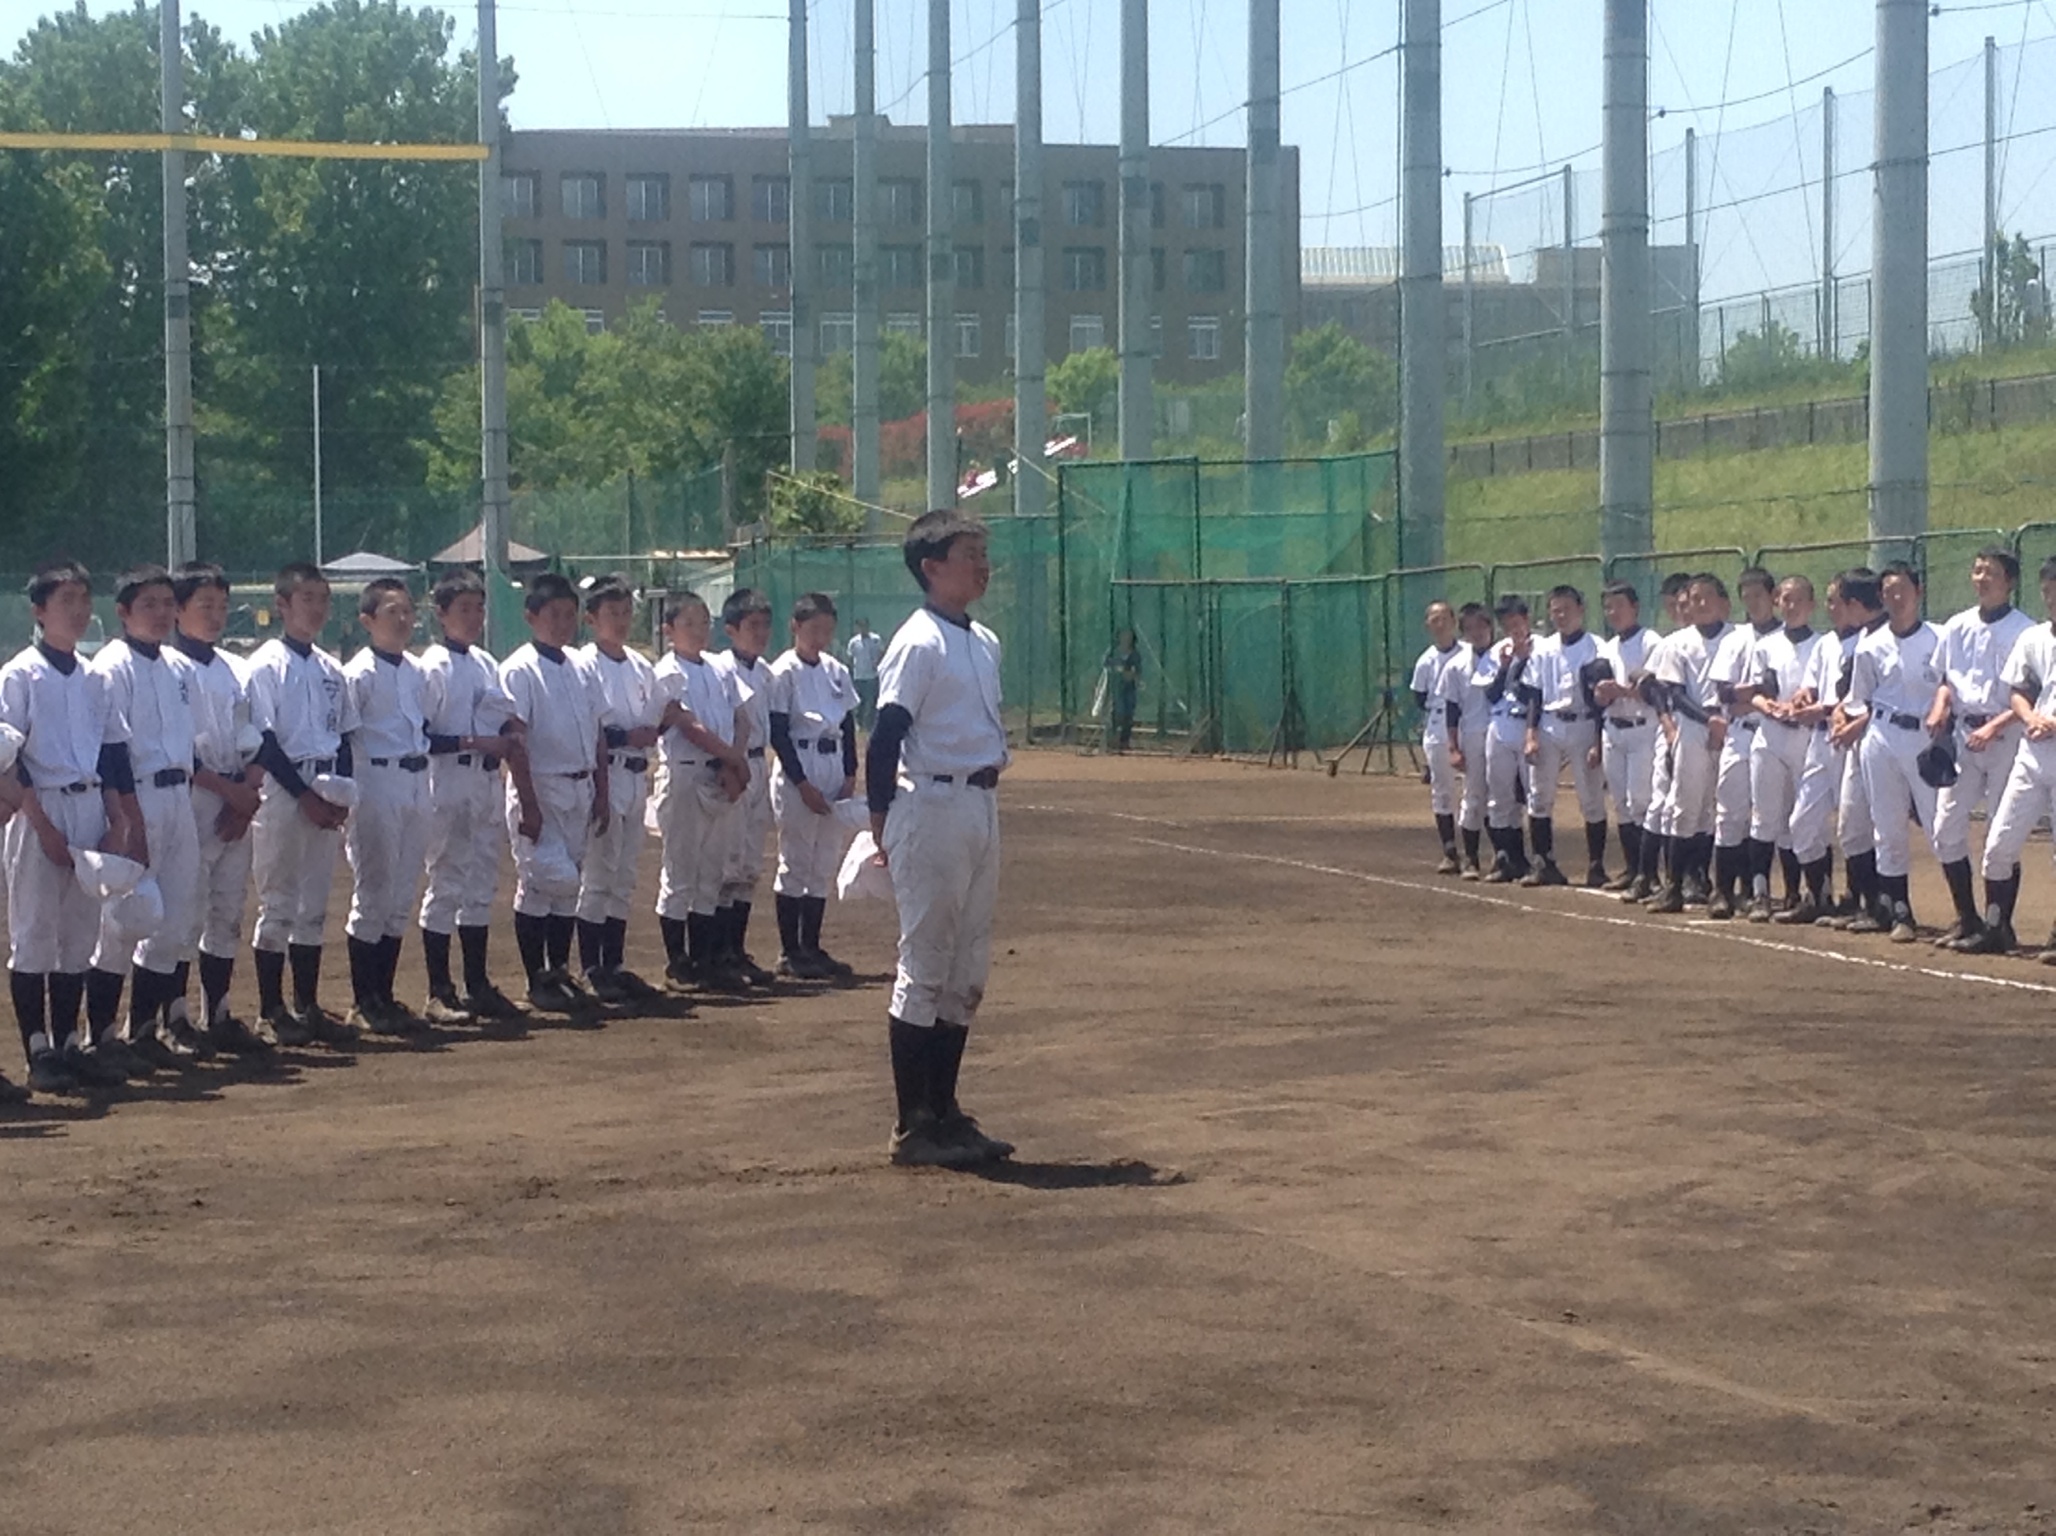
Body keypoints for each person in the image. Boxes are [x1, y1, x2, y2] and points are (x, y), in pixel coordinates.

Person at [867, 509, 1015, 1169]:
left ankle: (946, 1110)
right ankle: (913, 1123)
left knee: (966, 970)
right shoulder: (918, 641)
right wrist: (880, 816)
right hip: (930, 803)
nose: (982, 565)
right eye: (968, 553)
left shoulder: (983, 640)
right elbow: (886, 734)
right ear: (931, 567)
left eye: (983, 552)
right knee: (926, 963)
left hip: (979, 801)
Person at [2, 563, 140, 1094]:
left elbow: (111, 752)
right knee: (34, 934)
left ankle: (66, 1043)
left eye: (84, 598)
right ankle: (37, 1052)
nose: (79, 610)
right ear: (39, 611)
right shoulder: (20, 674)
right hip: (40, 807)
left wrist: (118, 817)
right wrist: (43, 827)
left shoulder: (93, 676)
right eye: (66, 600)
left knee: (79, 936)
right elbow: (12, 758)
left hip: (89, 806)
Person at [91, 564, 203, 1070]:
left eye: (166, 604)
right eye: (148, 605)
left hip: (179, 796)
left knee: (173, 922)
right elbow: (109, 749)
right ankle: (99, 1036)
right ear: (123, 612)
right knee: (122, 923)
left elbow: (190, 742)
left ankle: (141, 1030)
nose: (160, 613)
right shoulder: (111, 667)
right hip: (136, 796)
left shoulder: (179, 668)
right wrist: (125, 818)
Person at [245, 562, 358, 1046]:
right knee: (278, 903)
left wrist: (340, 793)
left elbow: (345, 737)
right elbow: (266, 743)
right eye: (306, 598)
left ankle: (306, 1005)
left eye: (322, 599)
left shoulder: (332, 669)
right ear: (282, 605)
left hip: (324, 783)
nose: (316, 608)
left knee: (313, 905)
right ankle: (271, 1010)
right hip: (283, 787)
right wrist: (306, 797)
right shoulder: (264, 665)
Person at [499, 572, 611, 1014]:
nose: (563, 623)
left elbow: (597, 733)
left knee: (569, 888)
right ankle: (535, 978)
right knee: (542, 882)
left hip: (580, 785)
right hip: (541, 786)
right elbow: (516, 740)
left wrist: (601, 791)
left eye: (569, 614)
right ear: (531, 617)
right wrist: (529, 803)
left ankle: (558, 970)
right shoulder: (519, 669)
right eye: (553, 614)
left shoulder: (582, 665)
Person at [171, 562, 270, 1053]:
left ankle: (219, 1011)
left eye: (222, 605)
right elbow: (174, 748)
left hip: (237, 799)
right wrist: (231, 795)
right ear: (179, 609)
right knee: (184, 913)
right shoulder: (169, 667)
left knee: (227, 912)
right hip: (192, 797)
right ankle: (173, 1017)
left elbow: (262, 738)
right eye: (204, 605)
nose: (215, 614)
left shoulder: (237, 668)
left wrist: (246, 797)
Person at [417, 569, 521, 1026]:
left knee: (480, 886)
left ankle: (477, 984)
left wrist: (509, 731)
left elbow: (502, 716)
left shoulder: (485, 662)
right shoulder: (431, 666)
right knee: (446, 884)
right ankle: (439, 990)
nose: (475, 617)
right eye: (464, 609)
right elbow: (422, 736)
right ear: (441, 614)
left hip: (484, 781)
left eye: (479, 608)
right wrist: (476, 742)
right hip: (448, 780)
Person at [1926, 547, 2034, 953]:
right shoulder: (1957, 625)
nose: (1981, 578)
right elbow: (1945, 679)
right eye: (1977, 570)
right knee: (1945, 829)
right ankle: (1967, 918)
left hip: (2007, 735)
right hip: (1964, 735)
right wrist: (1940, 706)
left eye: (1991, 572)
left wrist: (1995, 725)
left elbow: (2030, 693)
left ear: (2010, 581)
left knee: (1999, 833)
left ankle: (1997, 924)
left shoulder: (2025, 631)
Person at [341, 577, 432, 1035]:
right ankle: (364, 1000)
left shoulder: (416, 670)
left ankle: (385, 994)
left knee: (400, 895)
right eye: (392, 611)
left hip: (416, 778)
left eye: (407, 611)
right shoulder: (358, 673)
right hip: (375, 779)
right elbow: (342, 736)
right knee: (373, 892)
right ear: (367, 620)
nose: (403, 619)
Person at [652, 593, 751, 989]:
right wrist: (733, 759)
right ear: (668, 630)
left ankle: (704, 957)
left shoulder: (719, 667)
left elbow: (742, 718)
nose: (699, 630)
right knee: (680, 873)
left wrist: (732, 761)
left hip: (719, 775)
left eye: (704, 621)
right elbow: (687, 725)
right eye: (688, 623)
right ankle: (678, 962)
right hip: (685, 775)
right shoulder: (667, 671)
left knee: (711, 873)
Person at [575, 575, 665, 1002]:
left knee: (624, 876)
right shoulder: (584, 664)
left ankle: (613, 962)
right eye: (612, 612)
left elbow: (657, 715)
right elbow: (587, 729)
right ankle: (590, 967)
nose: (622, 620)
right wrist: (628, 737)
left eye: (627, 611)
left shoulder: (640, 665)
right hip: (605, 771)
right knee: (598, 874)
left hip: (635, 774)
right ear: (591, 619)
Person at [767, 592, 862, 979]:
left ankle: (812, 946)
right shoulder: (783, 671)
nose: (820, 637)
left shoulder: (836, 669)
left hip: (832, 762)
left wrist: (850, 772)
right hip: (800, 762)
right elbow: (778, 731)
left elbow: (848, 725)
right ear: (795, 626)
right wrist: (801, 782)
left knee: (823, 861)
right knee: (796, 862)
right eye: (813, 628)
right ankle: (790, 951)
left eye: (827, 629)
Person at [1976, 557, 2056, 962]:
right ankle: (1997, 926)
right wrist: (2030, 717)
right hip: (2032, 752)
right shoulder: (2034, 637)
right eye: (2047, 592)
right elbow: (2018, 690)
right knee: (1998, 845)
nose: (2052, 599)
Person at [1647, 574, 1733, 915]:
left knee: (1721, 808)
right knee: (1685, 807)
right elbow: (1675, 694)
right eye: (1695, 598)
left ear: (1723, 602)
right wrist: (1708, 721)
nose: (1701, 604)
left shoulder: (1737, 637)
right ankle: (1674, 885)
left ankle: (1716, 885)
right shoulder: (1678, 643)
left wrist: (1721, 722)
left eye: (1707, 596)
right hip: (1695, 727)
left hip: (1732, 726)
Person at [1740, 576, 1822, 923]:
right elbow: (1756, 692)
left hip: (1805, 737)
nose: (1791, 606)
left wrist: (1801, 708)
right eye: (1786, 599)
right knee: (1764, 818)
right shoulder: (1766, 645)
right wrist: (1768, 707)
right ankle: (1761, 893)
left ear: (1811, 605)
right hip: (1770, 736)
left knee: (1799, 818)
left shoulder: (1821, 645)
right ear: (1777, 602)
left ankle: (1799, 891)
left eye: (1798, 600)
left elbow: (1822, 691)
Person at [1519, 585, 1609, 888]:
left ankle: (1596, 866)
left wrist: (1598, 740)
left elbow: (1601, 700)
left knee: (1591, 797)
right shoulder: (1543, 648)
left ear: (1580, 610)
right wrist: (1530, 734)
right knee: (1539, 796)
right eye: (1555, 610)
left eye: (1566, 609)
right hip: (1549, 723)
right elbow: (1534, 693)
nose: (1560, 615)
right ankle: (1543, 862)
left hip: (1583, 723)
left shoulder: (1596, 647)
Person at [710, 591, 779, 988]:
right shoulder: (720, 669)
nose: (761, 633)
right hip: (733, 765)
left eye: (765, 625)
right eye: (752, 626)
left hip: (758, 764)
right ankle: (717, 951)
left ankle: (736, 949)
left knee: (750, 864)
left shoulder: (765, 672)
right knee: (728, 863)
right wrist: (729, 764)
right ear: (731, 629)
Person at [1707, 568, 1781, 919]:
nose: (1753, 603)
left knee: (1766, 814)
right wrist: (1758, 692)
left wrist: (1746, 695)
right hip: (1740, 730)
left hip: (1774, 730)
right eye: (1747, 597)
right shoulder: (1735, 639)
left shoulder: (1786, 638)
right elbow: (1723, 693)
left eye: (1758, 595)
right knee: (1730, 811)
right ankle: (1722, 890)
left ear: (1773, 596)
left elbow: (1780, 692)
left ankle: (1758, 891)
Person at [1823, 570, 1891, 930]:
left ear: (1853, 603)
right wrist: (1839, 712)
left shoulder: (1887, 636)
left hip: (1884, 739)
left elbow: (1891, 702)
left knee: (1888, 828)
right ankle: (1868, 904)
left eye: (1840, 601)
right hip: (1858, 742)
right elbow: (1853, 696)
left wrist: (1855, 723)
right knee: (1851, 827)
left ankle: (1890, 906)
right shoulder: (1862, 636)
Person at [1623, 573, 1697, 904]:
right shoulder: (1670, 643)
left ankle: (1693, 876)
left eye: (1687, 604)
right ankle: (1646, 873)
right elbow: (1645, 680)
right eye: (1677, 605)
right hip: (1671, 726)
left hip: (1701, 731)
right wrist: (1666, 724)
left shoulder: (1716, 639)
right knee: (1661, 802)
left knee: (1698, 807)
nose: (1682, 611)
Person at [1592, 581, 1658, 896]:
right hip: (1613, 728)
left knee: (1640, 801)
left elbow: (1656, 691)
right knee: (1621, 803)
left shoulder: (1651, 642)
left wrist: (1621, 691)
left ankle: (1649, 873)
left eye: (1619, 605)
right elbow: (1597, 696)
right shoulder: (1607, 647)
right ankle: (1633, 869)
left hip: (1643, 728)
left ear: (1635, 607)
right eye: (1608, 607)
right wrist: (1601, 694)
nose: (1613, 612)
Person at [1410, 601, 1463, 873]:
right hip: (1437, 724)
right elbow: (1420, 697)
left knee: (1478, 788)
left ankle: (1481, 851)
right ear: (1427, 625)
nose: (1440, 624)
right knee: (1443, 790)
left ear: (1454, 621)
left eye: (1444, 618)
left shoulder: (1467, 653)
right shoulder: (1425, 661)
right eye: (1434, 619)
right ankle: (1450, 851)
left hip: (1467, 721)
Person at [1442, 603, 1495, 879]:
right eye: (1470, 628)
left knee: (1502, 797)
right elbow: (1451, 709)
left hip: (1501, 731)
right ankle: (1471, 858)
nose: (1477, 632)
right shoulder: (1456, 665)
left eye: (1481, 626)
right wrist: (1453, 747)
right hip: (1472, 734)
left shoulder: (1503, 656)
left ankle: (1504, 856)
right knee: (1474, 795)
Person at [1105, 628, 1142, 754]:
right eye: (1123, 635)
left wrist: (1130, 674)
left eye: (1129, 636)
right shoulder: (1113, 651)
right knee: (1117, 712)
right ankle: (1113, 740)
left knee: (1128, 713)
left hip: (1129, 688)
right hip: (1115, 687)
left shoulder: (1135, 654)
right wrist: (1116, 671)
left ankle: (1124, 741)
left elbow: (1136, 671)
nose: (1126, 638)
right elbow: (1106, 665)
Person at [846, 618, 884, 730]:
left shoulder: (876, 639)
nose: (862, 628)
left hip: (872, 676)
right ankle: (859, 724)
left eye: (864, 626)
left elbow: (882, 653)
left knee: (871, 701)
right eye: (860, 626)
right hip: (858, 676)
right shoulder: (853, 642)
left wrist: (878, 664)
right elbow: (850, 658)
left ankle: (869, 724)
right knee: (858, 702)